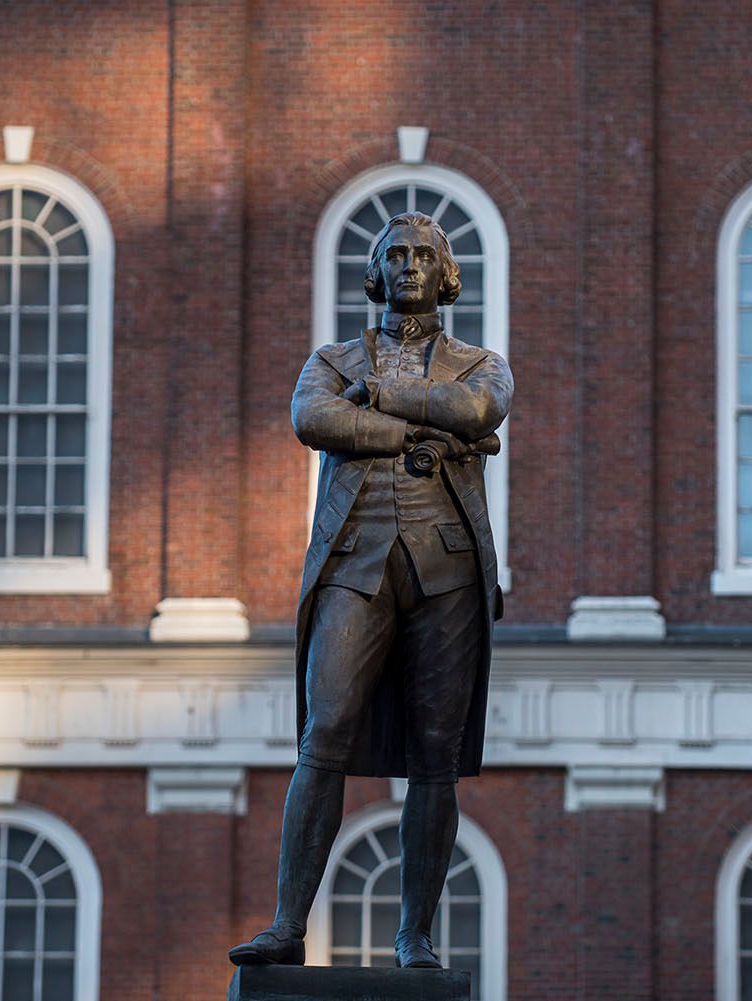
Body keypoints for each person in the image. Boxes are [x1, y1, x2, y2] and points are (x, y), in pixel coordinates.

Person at [229, 211, 512, 969]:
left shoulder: (480, 361)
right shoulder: (330, 359)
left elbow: (479, 412)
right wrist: (421, 428)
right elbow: (312, 417)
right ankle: (289, 926)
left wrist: (379, 401)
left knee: (435, 755)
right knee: (324, 732)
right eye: (396, 254)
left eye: (425, 254)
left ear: (446, 273)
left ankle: (415, 934)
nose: (411, 264)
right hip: (355, 562)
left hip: (447, 569)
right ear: (377, 271)